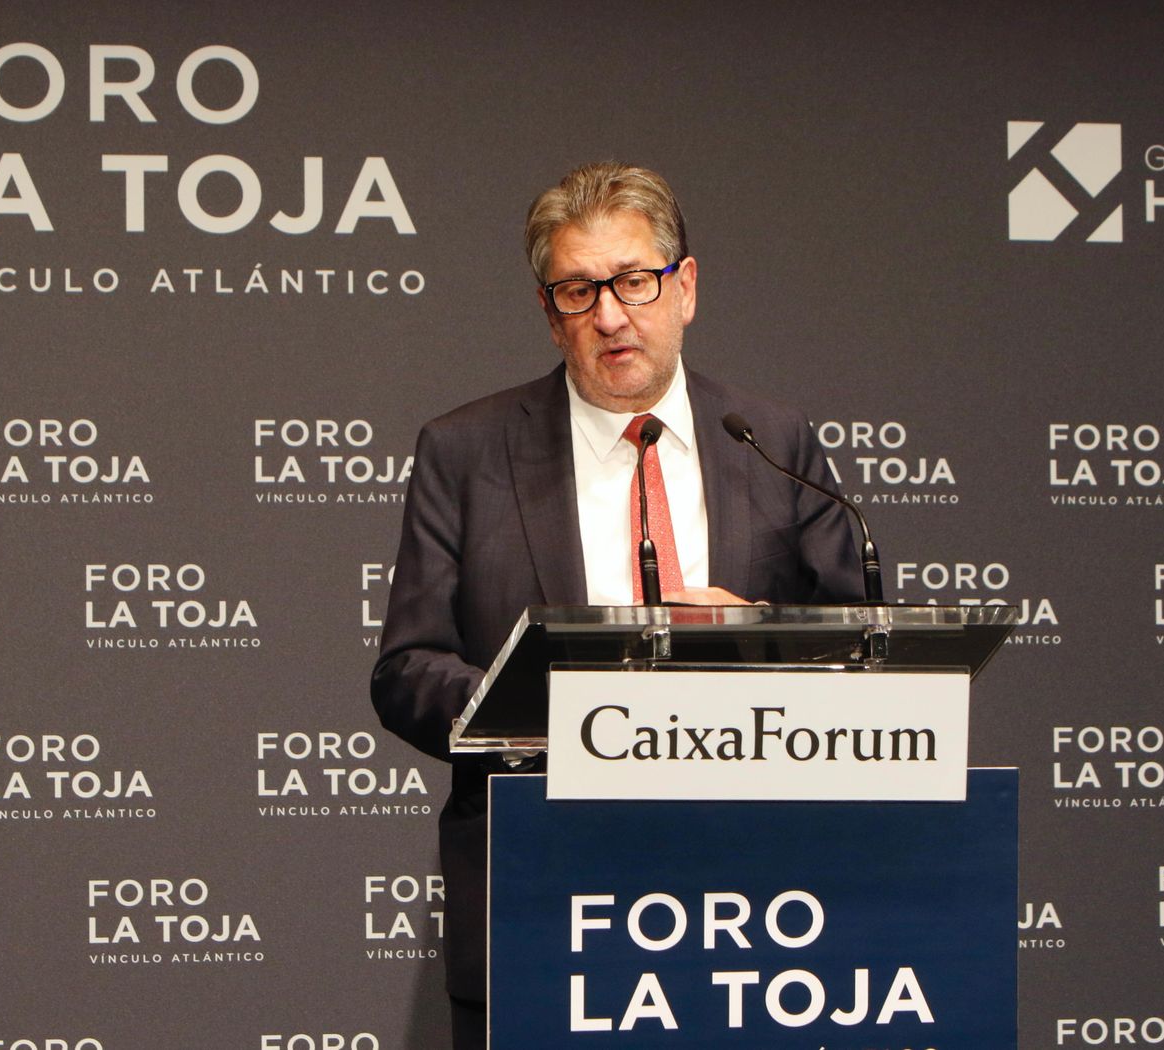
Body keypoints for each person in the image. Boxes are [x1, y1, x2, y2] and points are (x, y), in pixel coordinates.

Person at [369, 161, 864, 1049]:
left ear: (685, 288)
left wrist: (751, 638)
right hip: (544, 888)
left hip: (757, 902)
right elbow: (407, 670)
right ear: (548, 311)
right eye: (576, 290)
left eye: (634, 282)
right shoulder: (464, 451)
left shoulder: (771, 441)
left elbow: (862, 648)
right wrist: (554, 707)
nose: (609, 315)